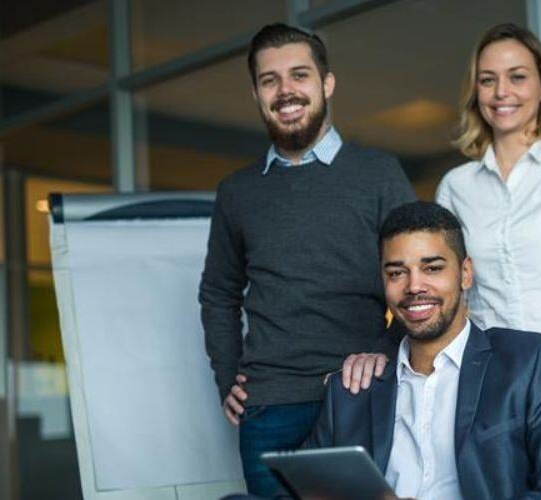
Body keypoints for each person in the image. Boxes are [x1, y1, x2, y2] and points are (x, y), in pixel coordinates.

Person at [341, 23, 541, 499]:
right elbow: (448, 290)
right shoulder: (456, 186)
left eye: (517, 77)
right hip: (490, 402)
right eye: (488, 79)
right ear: (475, 92)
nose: (502, 92)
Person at [198, 23, 415, 496]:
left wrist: (384, 350)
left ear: (326, 84)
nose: (285, 90)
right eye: (269, 80)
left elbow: (414, 276)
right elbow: (218, 291)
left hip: (360, 394)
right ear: (255, 92)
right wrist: (226, 373)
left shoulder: (378, 174)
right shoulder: (237, 192)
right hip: (268, 407)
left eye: (299, 75)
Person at [309, 201, 541, 499]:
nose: (414, 287)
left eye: (432, 268)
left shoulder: (530, 362)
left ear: (465, 273)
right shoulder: (350, 392)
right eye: (397, 273)